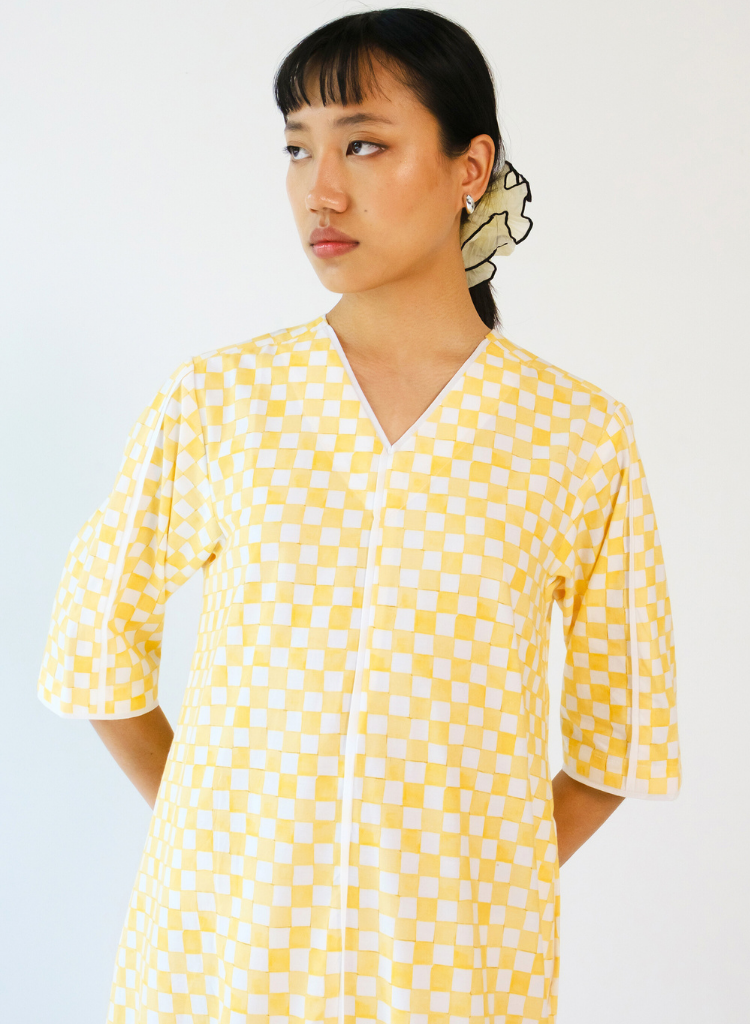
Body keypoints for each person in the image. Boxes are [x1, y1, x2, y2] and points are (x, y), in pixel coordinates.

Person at [37, 8, 681, 1024]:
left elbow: (623, 734)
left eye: (364, 144)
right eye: (298, 148)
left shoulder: (576, 435)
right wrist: (220, 829)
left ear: (472, 167)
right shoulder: (223, 403)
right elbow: (94, 638)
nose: (320, 190)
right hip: (221, 960)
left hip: (454, 976)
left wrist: (473, 880)